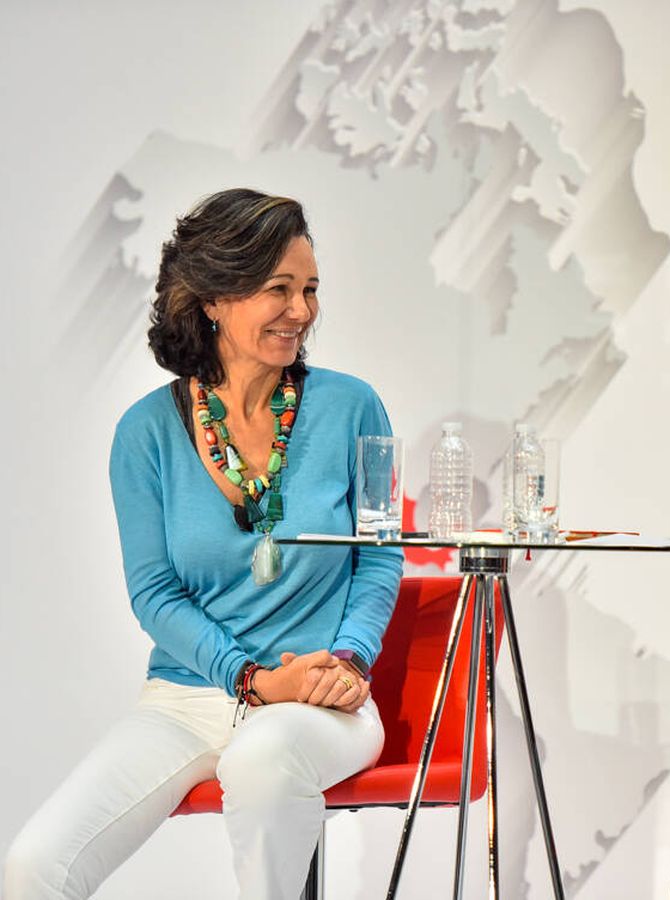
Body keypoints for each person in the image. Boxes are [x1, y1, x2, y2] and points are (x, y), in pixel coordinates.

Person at [4, 189, 405, 899]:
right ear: (215, 298)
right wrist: (249, 679)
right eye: (278, 289)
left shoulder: (354, 407)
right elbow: (154, 593)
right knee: (35, 867)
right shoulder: (145, 432)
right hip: (187, 700)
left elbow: (378, 555)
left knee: (261, 761)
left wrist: (347, 661)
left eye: (310, 289)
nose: (302, 311)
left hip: (319, 701)